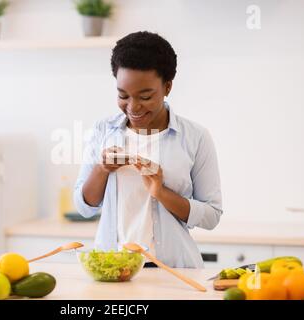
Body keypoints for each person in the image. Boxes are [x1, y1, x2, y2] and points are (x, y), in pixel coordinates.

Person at [73, 31, 222, 268]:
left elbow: (212, 215)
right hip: (112, 269)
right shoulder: (103, 130)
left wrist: (161, 192)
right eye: (123, 95)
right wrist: (102, 169)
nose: (133, 107)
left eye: (145, 96)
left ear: (167, 87)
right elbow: (84, 207)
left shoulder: (195, 137)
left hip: (172, 270)